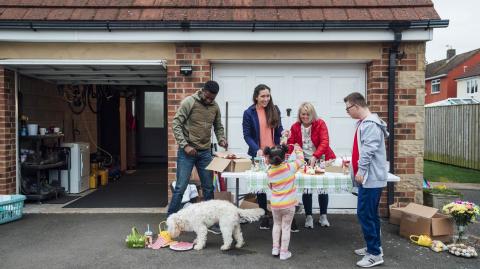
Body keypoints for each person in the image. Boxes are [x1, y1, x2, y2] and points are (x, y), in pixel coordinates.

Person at [168, 80, 228, 219]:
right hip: (187, 152)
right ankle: (170, 219)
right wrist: (185, 145)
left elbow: (218, 127)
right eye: (207, 97)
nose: (208, 100)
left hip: (205, 153)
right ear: (202, 90)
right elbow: (176, 123)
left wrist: (221, 139)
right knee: (180, 188)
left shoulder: (215, 107)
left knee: (208, 188)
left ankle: (210, 220)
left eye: (212, 98)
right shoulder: (189, 102)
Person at [242, 84, 298, 231]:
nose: (266, 99)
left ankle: (286, 215)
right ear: (256, 97)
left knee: (282, 183)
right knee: (261, 186)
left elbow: (278, 129)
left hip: (276, 154)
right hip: (259, 153)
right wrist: (257, 149)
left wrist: (284, 133)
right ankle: (264, 215)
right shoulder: (249, 113)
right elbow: (247, 136)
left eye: (268, 96)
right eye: (263, 96)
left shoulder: (275, 109)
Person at [344, 92, 387, 268]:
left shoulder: (369, 124)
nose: (347, 112)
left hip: (370, 178)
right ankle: (374, 247)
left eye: (348, 108)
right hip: (370, 178)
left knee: (365, 214)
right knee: (371, 214)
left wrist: (361, 170)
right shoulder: (364, 123)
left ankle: (375, 254)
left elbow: (368, 150)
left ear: (356, 106)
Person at [286, 102, 336, 228]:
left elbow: (325, 142)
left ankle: (323, 216)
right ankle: (308, 216)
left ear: (312, 114)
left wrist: (316, 156)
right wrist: (284, 156)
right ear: (299, 114)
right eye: (303, 114)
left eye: (308, 114)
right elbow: (291, 145)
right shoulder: (295, 127)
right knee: (307, 188)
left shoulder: (320, 123)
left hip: (321, 158)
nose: (305, 116)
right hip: (306, 160)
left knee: (322, 187)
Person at [264, 144, 304, 260]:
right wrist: (297, 149)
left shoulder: (269, 171)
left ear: (270, 158)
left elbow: (270, 186)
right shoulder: (290, 167)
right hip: (288, 205)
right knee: (286, 227)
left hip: (275, 205)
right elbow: (301, 160)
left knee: (276, 225)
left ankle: (275, 248)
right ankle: (284, 252)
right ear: (284, 157)